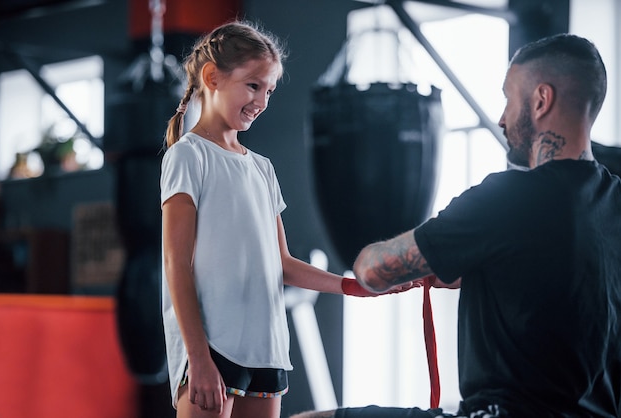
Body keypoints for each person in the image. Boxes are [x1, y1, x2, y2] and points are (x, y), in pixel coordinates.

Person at [291, 33, 621, 418]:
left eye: (509, 99)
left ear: (541, 99)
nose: (502, 117)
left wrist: (395, 256)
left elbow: (373, 271)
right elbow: (566, 289)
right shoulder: (613, 202)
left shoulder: (508, 197)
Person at [160, 20, 413, 418]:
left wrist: (355, 286)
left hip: (267, 349)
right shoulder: (189, 156)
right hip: (210, 348)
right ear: (212, 77)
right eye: (253, 85)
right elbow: (177, 264)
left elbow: (283, 264)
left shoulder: (262, 169)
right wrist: (198, 357)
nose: (262, 100)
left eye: (270, 90)